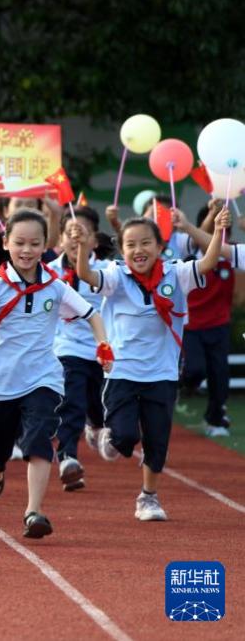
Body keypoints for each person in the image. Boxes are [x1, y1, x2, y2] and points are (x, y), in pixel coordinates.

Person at [0, 209, 112, 539]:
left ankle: (34, 512)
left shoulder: (55, 287)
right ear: (6, 243)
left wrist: (102, 344)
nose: (27, 250)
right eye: (20, 242)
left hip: (43, 378)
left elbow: (91, 313)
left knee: (39, 439)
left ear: (45, 246)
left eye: (35, 243)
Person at [72, 209, 228, 521]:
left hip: (162, 373)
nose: (138, 250)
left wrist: (220, 231)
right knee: (127, 437)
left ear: (159, 247)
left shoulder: (177, 274)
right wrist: (82, 248)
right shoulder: (116, 276)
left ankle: (148, 497)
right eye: (130, 245)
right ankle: (109, 436)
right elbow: (87, 275)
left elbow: (208, 263)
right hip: (122, 373)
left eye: (145, 243)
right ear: (122, 249)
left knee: (157, 439)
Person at [46, 206, 112, 490]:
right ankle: (68, 458)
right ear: (59, 239)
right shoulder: (48, 272)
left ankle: (95, 425)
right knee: (71, 402)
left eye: (82, 232)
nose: (76, 239)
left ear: (94, 239)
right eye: (70, 233)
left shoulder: (107, 271)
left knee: (98, 407)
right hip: (65, 349)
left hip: (101, 350)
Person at [172, 202, 235, 437]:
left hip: (219, 325)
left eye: (225, 230)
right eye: (217, 230)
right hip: (191, 326)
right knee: (195, 370)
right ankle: (178, 385)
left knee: (220, 375)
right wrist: (209, 216)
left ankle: (215, 419)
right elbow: (203, 236)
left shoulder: (231, 255)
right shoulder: (190, 260)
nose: (221, 236)